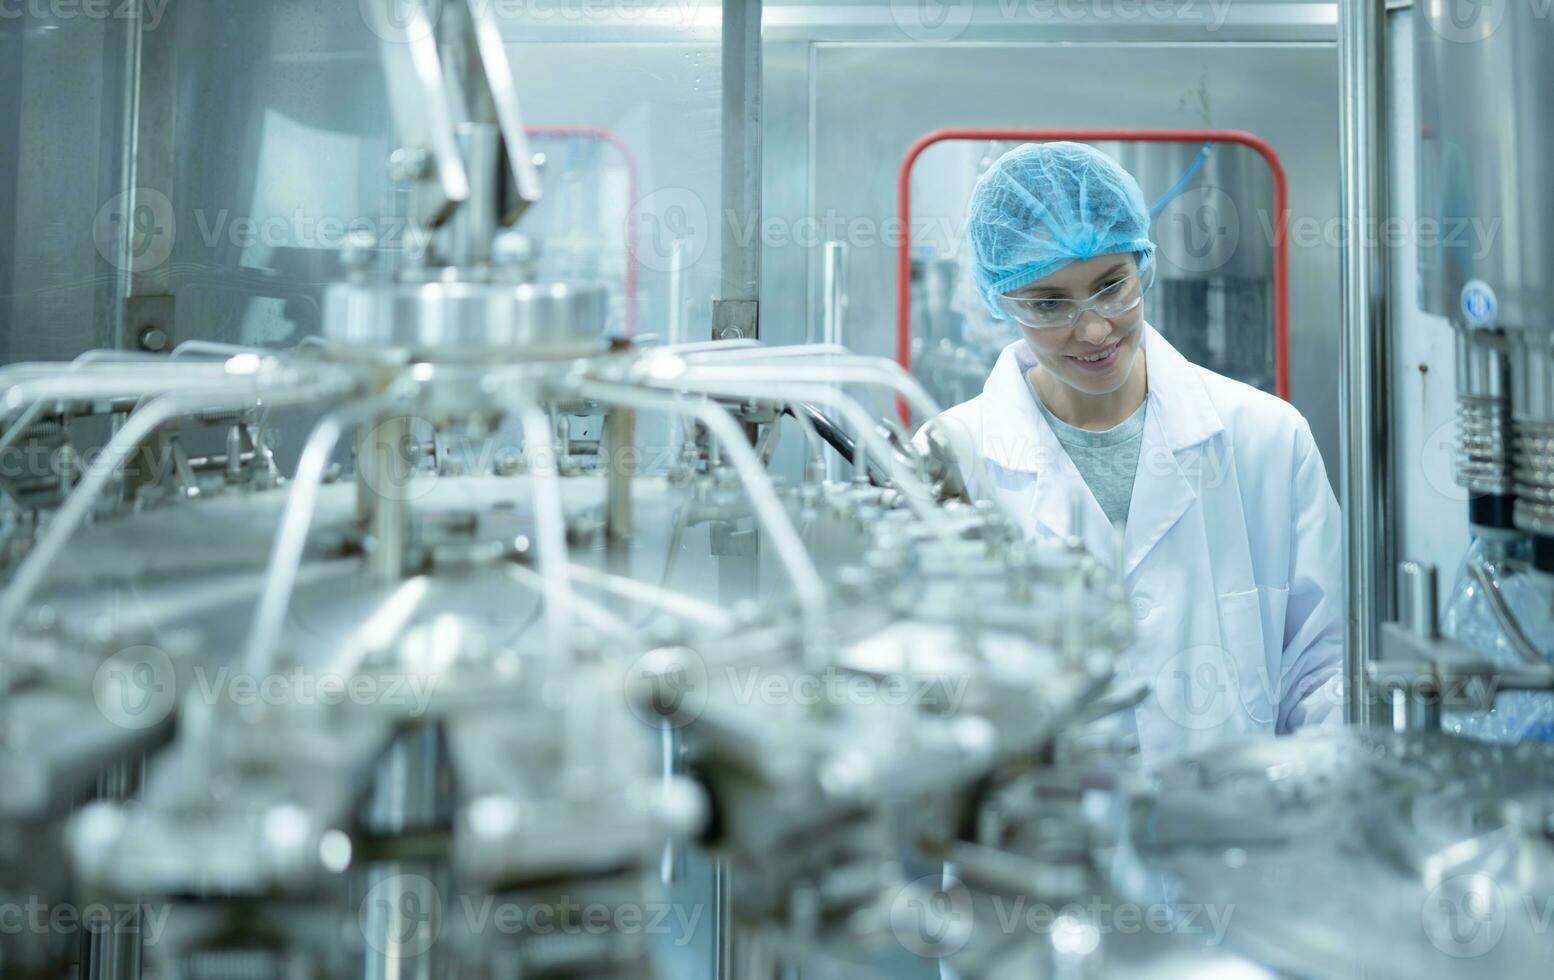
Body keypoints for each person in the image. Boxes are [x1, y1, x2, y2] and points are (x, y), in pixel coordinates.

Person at [921, 142, 1343, 766]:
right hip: (1029, 850)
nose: (1093, 329)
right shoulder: (949, 458)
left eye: (1110, 287)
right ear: (1000, 303)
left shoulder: (1266, 439)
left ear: (1142, 264)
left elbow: (1323, 673)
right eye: (1049, 303)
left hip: (1230, 838)